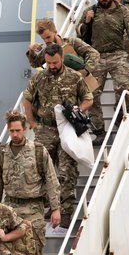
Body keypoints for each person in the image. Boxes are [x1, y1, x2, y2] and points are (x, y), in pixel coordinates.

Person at [22, 43, 93, 229]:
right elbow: (27, 99)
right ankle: (48, 206)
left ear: (61, 58)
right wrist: (33, 123)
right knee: (41, 169)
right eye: (48, 63)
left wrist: (80, 108)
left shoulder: (74, 77)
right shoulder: (39, 78)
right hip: (45, 129)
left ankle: (66, 211)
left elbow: (88, 97)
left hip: (67, 128)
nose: (51, 66)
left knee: (66, 170)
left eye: (54, 62)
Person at [0, 110, 60, 255]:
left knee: (35, 253)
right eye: (12, 131)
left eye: (18, 131)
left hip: (34, 210)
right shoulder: (2, 153)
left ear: (25, 129)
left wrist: (56, 208)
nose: (15, 134)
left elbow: (51, 180)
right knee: (10, 253)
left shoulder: (38, 151)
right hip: (10, 209)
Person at [78, 0, 129, 144]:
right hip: (96, 56)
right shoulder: (91, 10)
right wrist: (87, 21)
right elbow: (79, 34)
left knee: (123, 87)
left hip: (118, 54)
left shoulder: (123, 11)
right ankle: (99, 131)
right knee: (91, 94)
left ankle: (121, 117)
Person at [26, 18, 99, 75]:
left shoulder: (72, 42)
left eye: (48, 37)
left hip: (80, 82)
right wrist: (31, 50)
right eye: (43, 39)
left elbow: (94, 53)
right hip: (63, 87)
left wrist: (86, 70)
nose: (46, 41)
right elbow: (36, 64)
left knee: (67, 58)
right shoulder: (48, 50)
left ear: (55, 32)